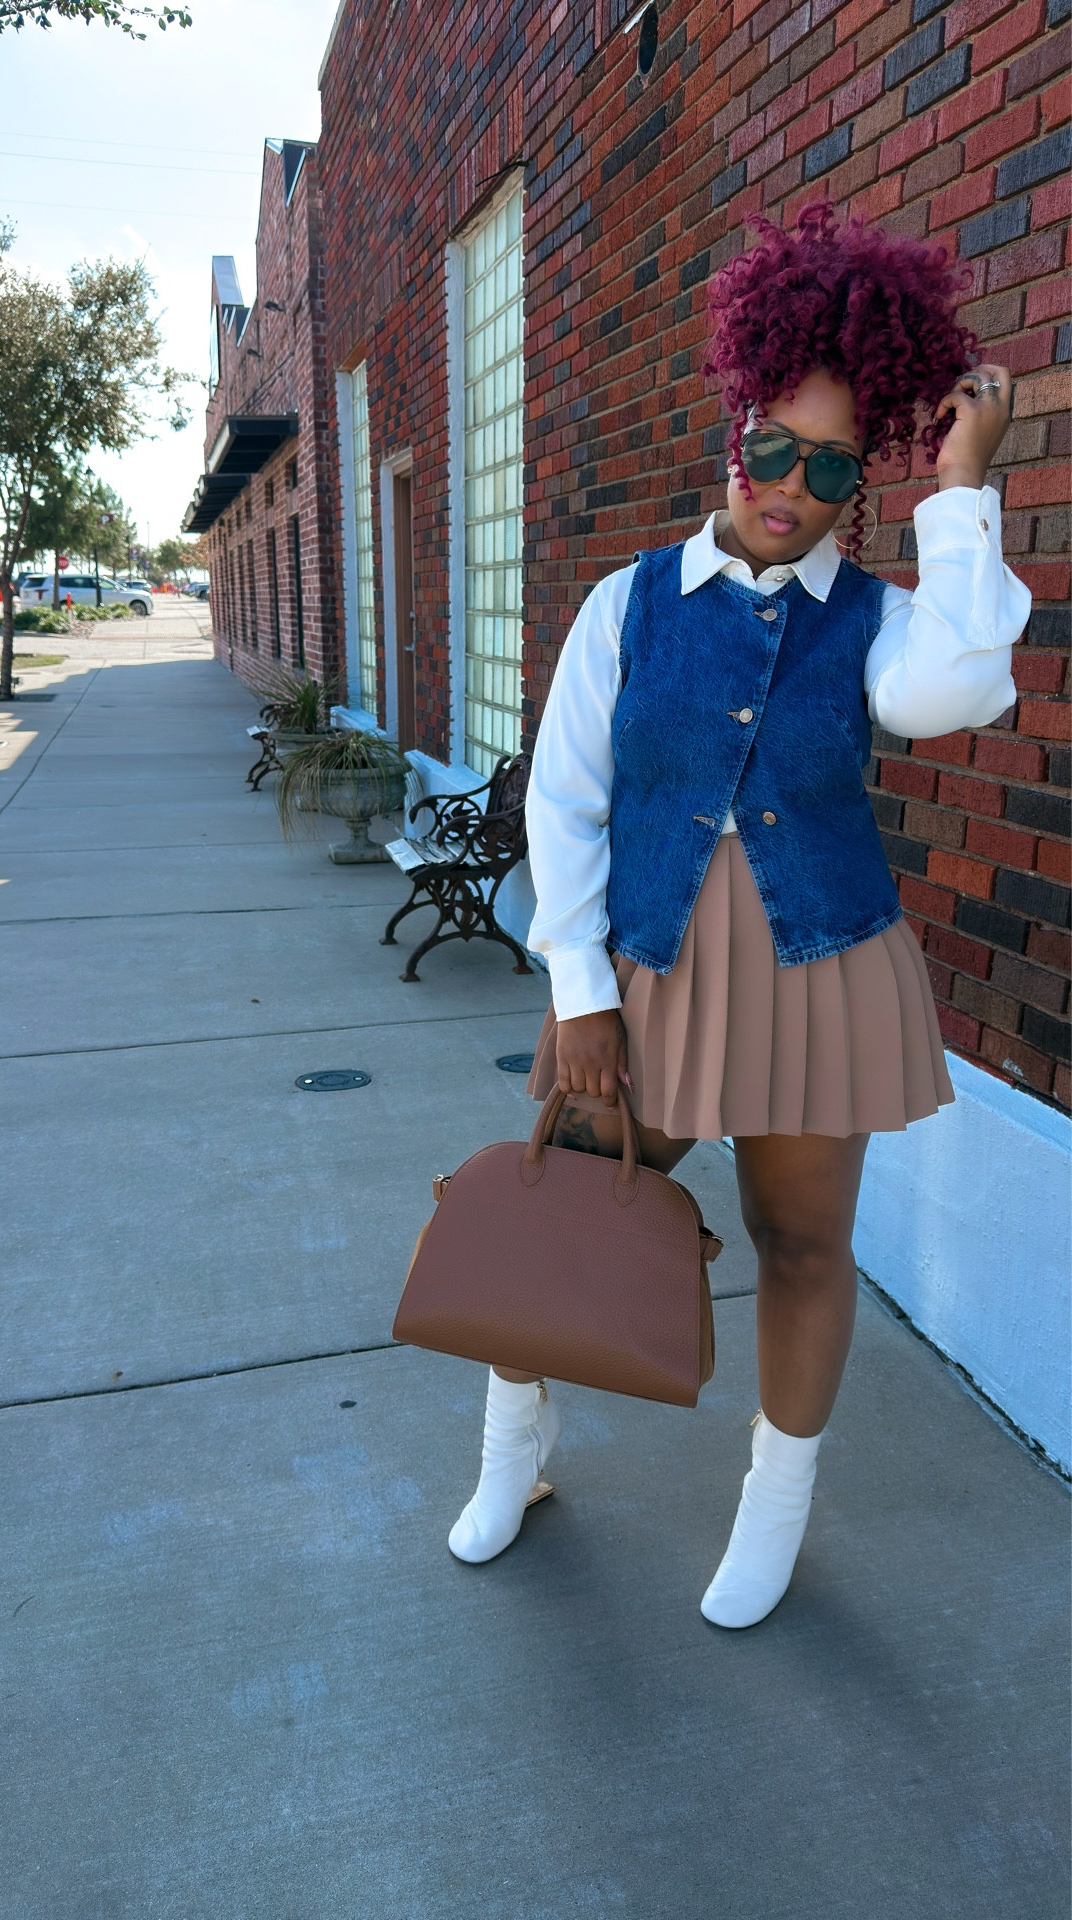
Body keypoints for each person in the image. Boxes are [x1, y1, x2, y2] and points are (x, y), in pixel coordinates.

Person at [448, 203, 1030, 1628]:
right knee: (555, 1207)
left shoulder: (878, 623)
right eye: (773, 444)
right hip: (638, 969)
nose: (791, 484)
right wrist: (579, 992)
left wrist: (960, 482)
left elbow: (960, 688)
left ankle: (774, 1510)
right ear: (733, 425)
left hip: (814, 966)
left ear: (858, 477)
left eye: (832, 464)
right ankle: (512, 1453)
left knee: (802, 1247)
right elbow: (564, 802)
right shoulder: (628, 605)